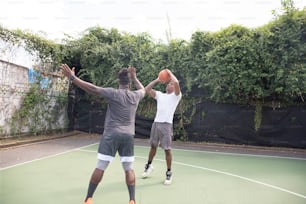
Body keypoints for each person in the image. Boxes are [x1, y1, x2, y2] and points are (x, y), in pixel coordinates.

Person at [60, 64, 145, 204]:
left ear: (119, 82)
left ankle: (88, 198)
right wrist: (135, 78)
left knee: (101, 166)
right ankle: (132, 200)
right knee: (129, 169)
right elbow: (143, 89)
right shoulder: (135, 96)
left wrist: (72, 77)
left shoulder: (113, 93)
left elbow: (92, 88)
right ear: (129, 84)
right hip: (128, 136)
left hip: (111, 134)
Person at [142, 69, 182, 185]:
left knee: (167, 149)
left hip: (166, 125)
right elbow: (147, 89)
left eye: (171, 84)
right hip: (156, 124)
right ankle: (148, 166)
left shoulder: (176, 96)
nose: (169, 84)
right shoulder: (160, 95)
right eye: (168, 83)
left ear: (173, 87)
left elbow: (176, 83)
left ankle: (169, 173)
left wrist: (169, 73)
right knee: (153, 146)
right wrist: (158, 79)